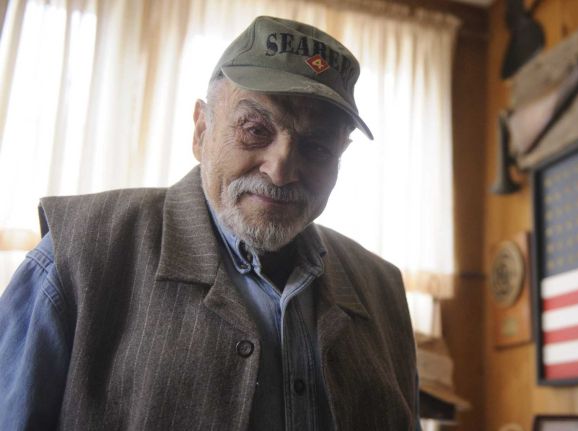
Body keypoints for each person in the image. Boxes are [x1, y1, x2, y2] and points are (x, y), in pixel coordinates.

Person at [0, 16, 419, 430]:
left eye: (318, 146)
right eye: (255, 129)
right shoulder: (76, 254)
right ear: (202, 130)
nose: (281, 170)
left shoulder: (381, 289)